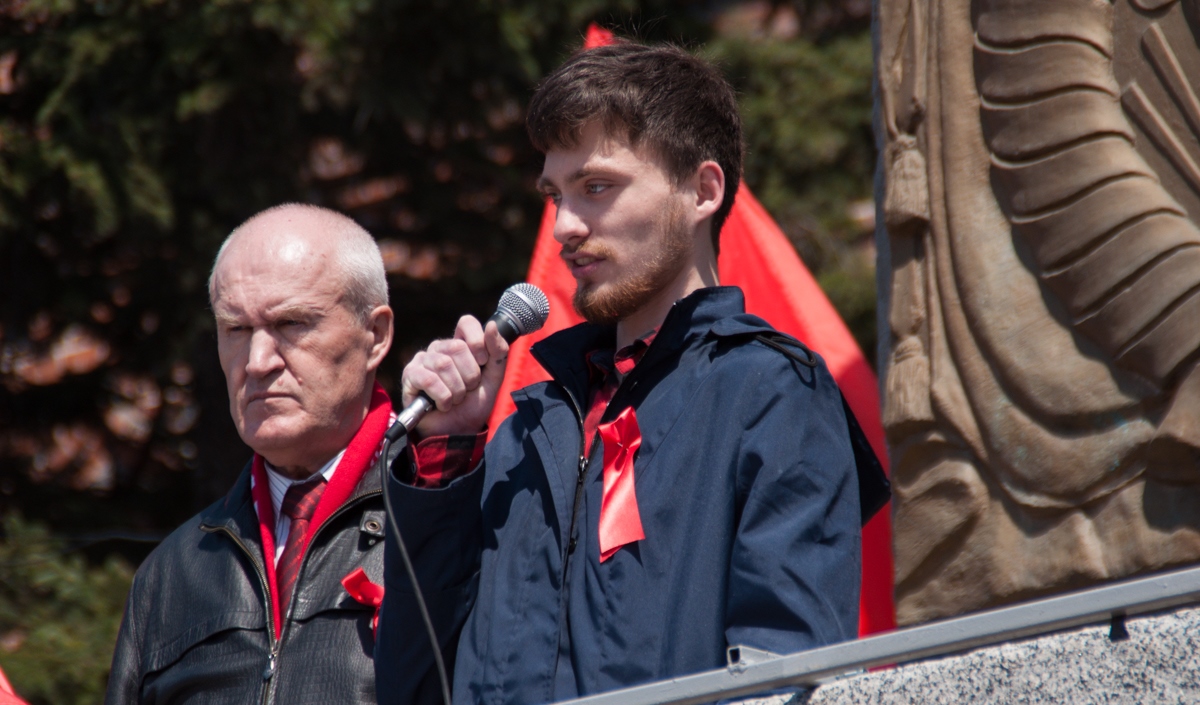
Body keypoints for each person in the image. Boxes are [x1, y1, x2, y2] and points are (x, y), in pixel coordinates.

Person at [375, 40, 869, 704]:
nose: (564, 226)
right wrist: (446, 453)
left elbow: (786, 678)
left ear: (702, 190)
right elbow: (412, 684)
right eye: (555, 195)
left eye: (597, 187)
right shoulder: (524, 432)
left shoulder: (773, 393)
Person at [107, 204, 396, 704]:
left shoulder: (448, 525)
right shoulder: (170, 574)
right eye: (236, 329)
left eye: (292, 323)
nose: (257, 362)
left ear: (376, 337)